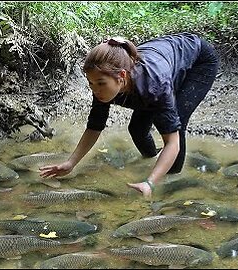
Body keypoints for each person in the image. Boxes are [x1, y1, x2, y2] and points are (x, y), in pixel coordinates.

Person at [39, 32, 219, 197]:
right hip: (159, 64)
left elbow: (172, 143)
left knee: (176, 121)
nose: (95, 90)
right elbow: (94, 127)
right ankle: (151, 160)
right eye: (91, 84)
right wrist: (71, 163)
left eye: (100, 83)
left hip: (199, 60)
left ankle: (171, 177)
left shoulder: (154, 86)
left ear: (121, 76)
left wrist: (151, 183)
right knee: (137, 129)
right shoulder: (102, 86)